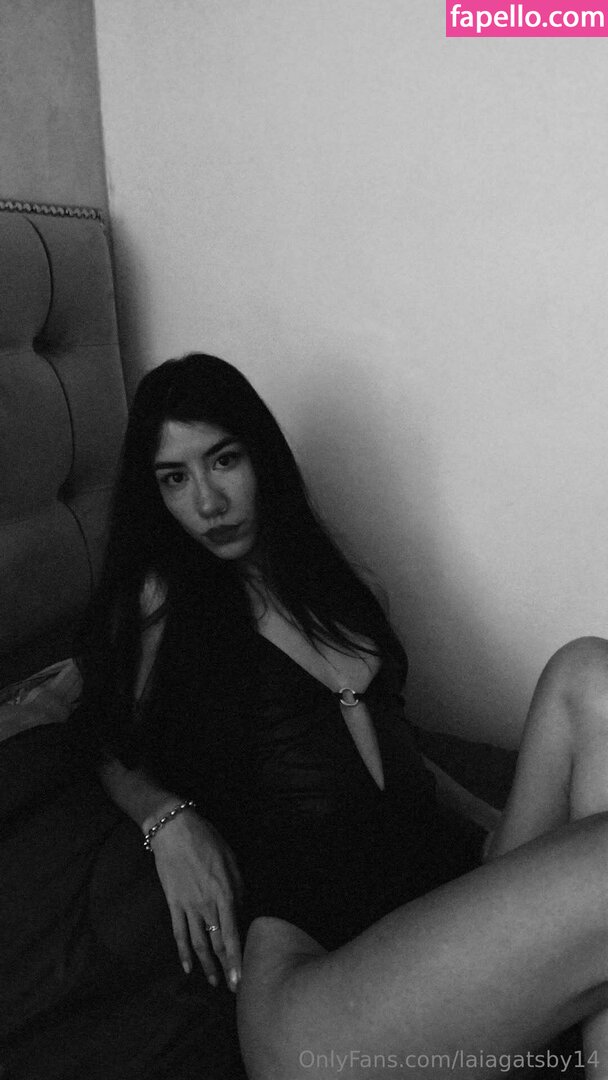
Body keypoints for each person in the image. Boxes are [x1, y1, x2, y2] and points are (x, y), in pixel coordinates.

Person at [79, 353, 608, 1079]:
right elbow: (95, 732)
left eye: (224, 460)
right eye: (175, 478)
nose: (207, 502)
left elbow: (393, 753)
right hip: (317, 993)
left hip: (442, 918)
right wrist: (163, 818)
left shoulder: (338, 588)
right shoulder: (161, 601)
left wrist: (494, 825)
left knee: (588, 671)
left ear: (261, 455)